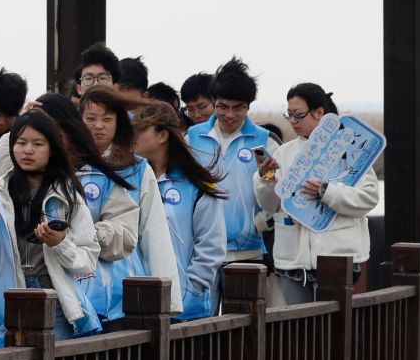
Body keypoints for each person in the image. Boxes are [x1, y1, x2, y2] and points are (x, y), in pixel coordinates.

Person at [0, 110, 101, 345]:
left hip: (53, 301)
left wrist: (59, 244)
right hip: (2, 304)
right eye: (21, 143)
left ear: (52, 149)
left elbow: (87, 262)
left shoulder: (67, 197)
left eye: (38, 144)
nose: (28, 150)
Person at [256, 82, 380, 304]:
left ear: (319, 112)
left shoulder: (348, 146)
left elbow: (369, 197)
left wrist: (326, 191)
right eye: (289, 115)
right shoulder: (283, 153)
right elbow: (269, 205)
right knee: (297, 323)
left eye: (298, 115)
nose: (293, 121)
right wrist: (266, 179)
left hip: (337, 259)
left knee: (337, 323)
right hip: (292, 261)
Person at [80, 87, 181, 318]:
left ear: (119, 122)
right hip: (77, 287)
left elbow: (155, 233)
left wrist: (169, 300)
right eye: (91, 119)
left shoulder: (136, 169)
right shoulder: (66, 165)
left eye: (107, 119)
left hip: (124, 287)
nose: (98, 126)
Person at [133, 101, 226, 320]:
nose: (132, 136)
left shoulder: (196, 186)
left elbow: (211, 244)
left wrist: (191, 289)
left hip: (185, 307)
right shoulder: (128, 182)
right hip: (134, 302)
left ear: (163, 135)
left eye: (140, 130)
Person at [186, 58, 275, 274]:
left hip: (248, 252)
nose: (230, 115)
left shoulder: (264, 142)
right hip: (200, 251)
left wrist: (259, 223)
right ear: (214, 102)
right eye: (222, 107)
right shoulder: (192, 138)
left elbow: (276, 195)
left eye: (238, 108)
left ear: (248, 106)